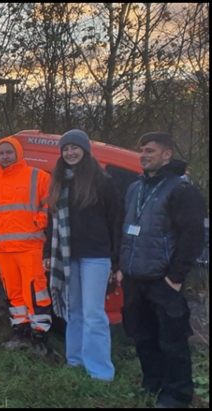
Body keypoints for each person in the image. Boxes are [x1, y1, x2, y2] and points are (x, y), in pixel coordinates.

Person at [116, 132, 205, 408]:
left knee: (172, 340)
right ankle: (152, 384)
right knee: (143, 337)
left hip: (163, 281)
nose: (144, 155)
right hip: (134, 278)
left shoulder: (181, 189)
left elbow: (193, 237)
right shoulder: (135, 188)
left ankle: (177, 394)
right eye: (141, 150)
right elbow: (126, 231)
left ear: (167, 154)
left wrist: (175, 278)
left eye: (150, 151)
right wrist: (121, 267)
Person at [43, 130, 122, 380]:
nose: (70, 153)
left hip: (95, 256)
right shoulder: (58, 180)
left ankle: (100, 371)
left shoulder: (102, 181)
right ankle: (74, 360)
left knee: (93, 313)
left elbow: (116, 221)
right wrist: (48, 252)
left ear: (85, 150)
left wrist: (115, 257)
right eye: (66, 149)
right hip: (68, 257)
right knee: (73, 311)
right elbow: (51, 221)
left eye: (75, 148)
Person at [0, 136, 51, 354]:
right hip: (3, 249)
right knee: (13, 292)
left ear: (18, 153)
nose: (5, 156)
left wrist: (38, 222)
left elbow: (49, 205)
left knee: (36, 292)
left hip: (31, 247)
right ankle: (20, 331)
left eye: (9, 152)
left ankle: (40, 335)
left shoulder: (39, 177)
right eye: (1, 153)